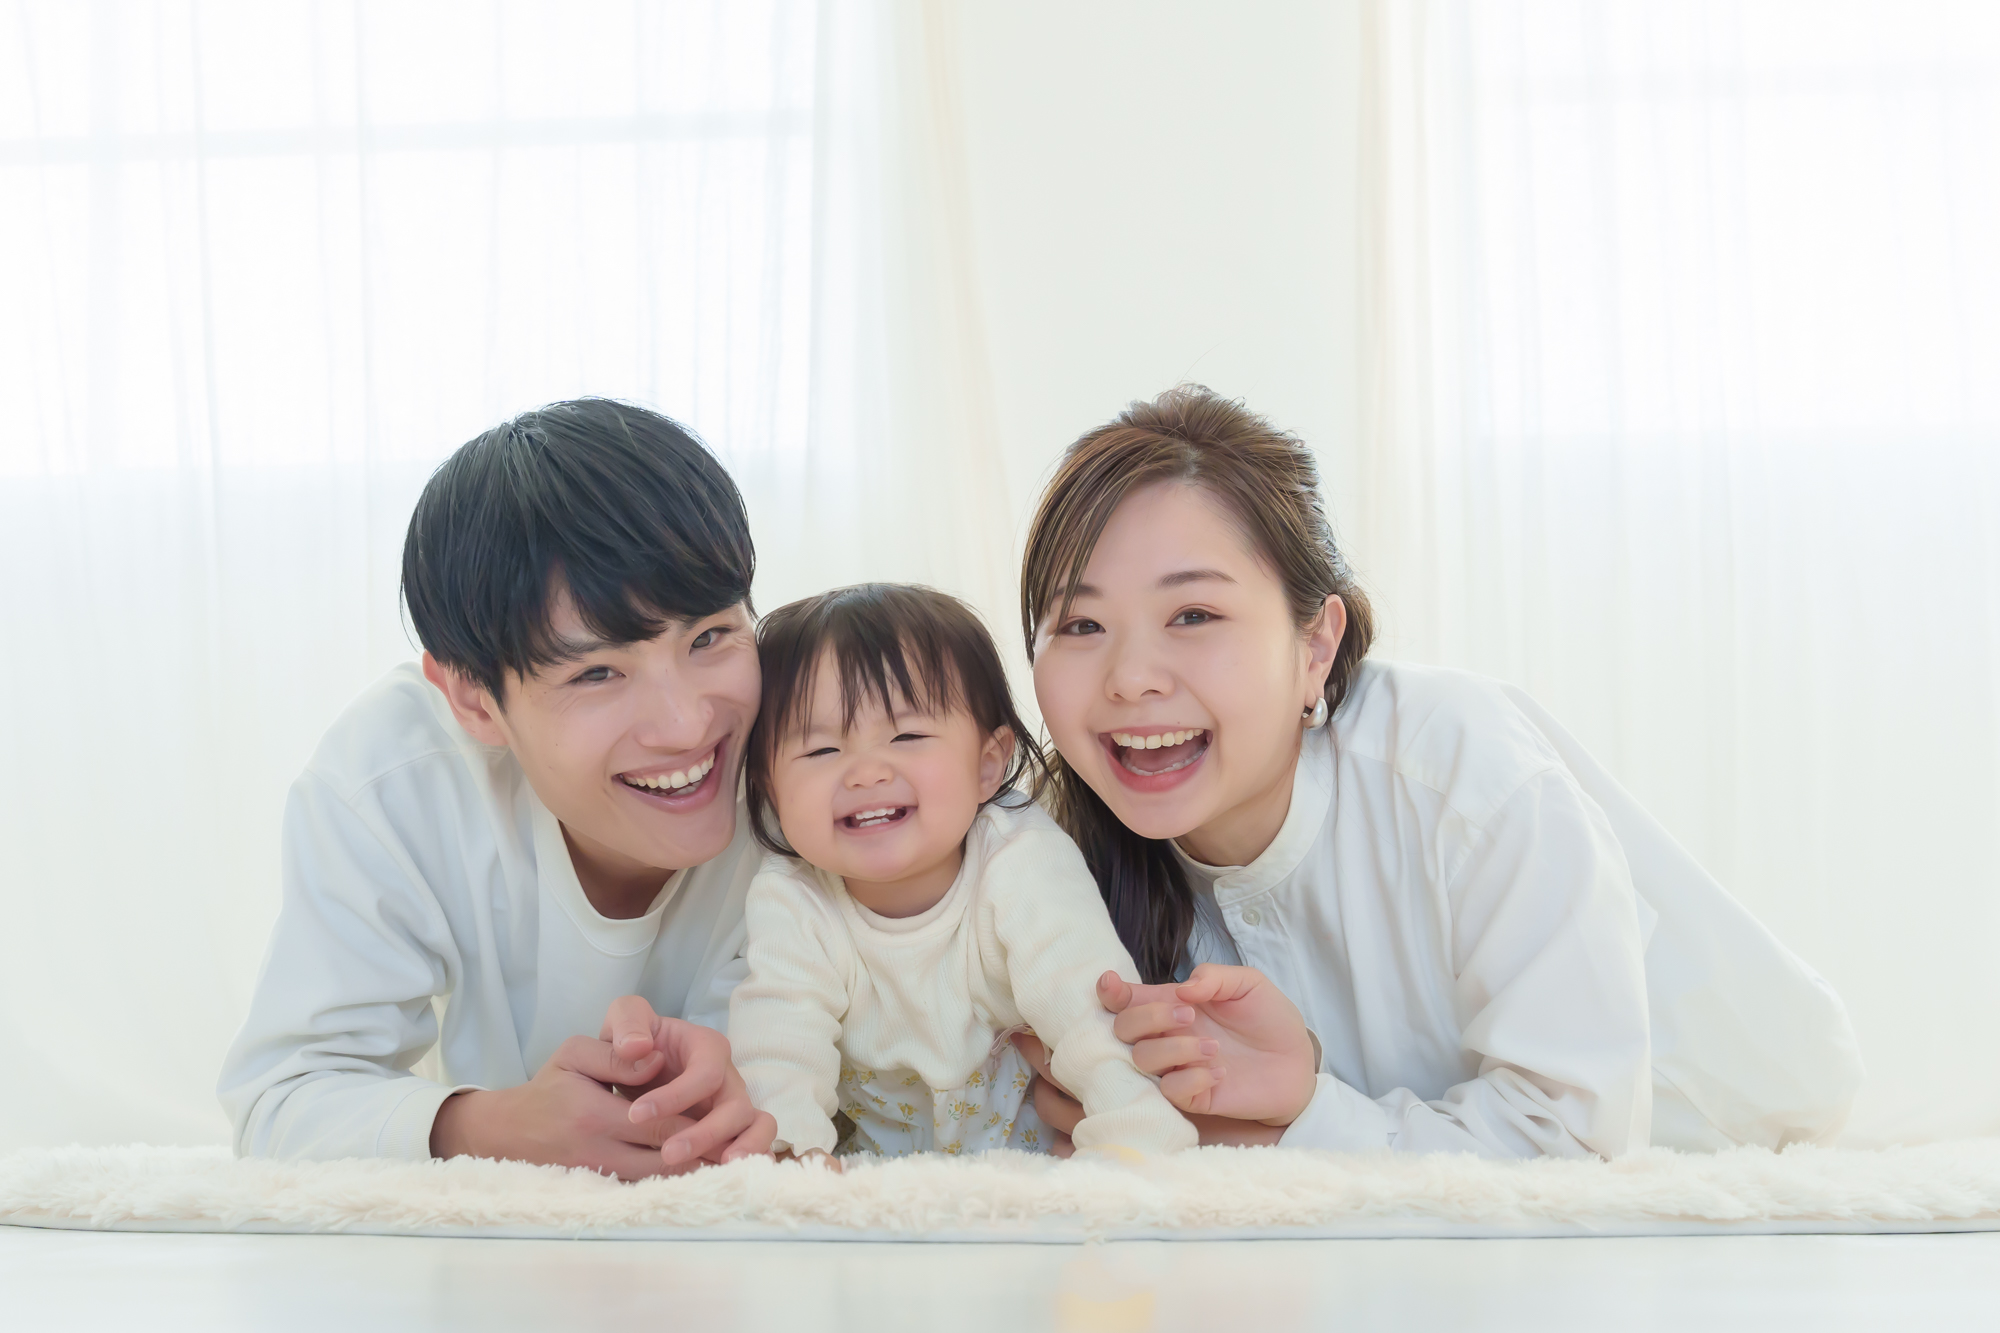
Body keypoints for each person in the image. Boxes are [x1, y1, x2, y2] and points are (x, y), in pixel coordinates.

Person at [1014, 386, 1865, 1159]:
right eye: (1081, 624)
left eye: (1194, 614)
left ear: (1315, 646)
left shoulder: (1461, 769)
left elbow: (1575, 1146)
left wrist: (1286, 1118)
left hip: (1727, 1129)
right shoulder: (1043, 848)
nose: (1131, 677)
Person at [217, 400, 778, 1178]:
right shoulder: (395, 779)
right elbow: (281, 1099)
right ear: (475, 700)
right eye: (598, 673)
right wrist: (498, 1124)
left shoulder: (828, 746)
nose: (688, 725)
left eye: (710, 636)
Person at [728, 585, 1195, 1161]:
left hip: (1036, 1167)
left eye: (907, 736)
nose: (866, 773)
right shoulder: (792, 896)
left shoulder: (1019, 859)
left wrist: (1135, 1142)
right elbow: (778, 1045)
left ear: (987, 764)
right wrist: (787, 1158)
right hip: (879, 1179)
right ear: (770, 789)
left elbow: (1090, 1014)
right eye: (822, 751)